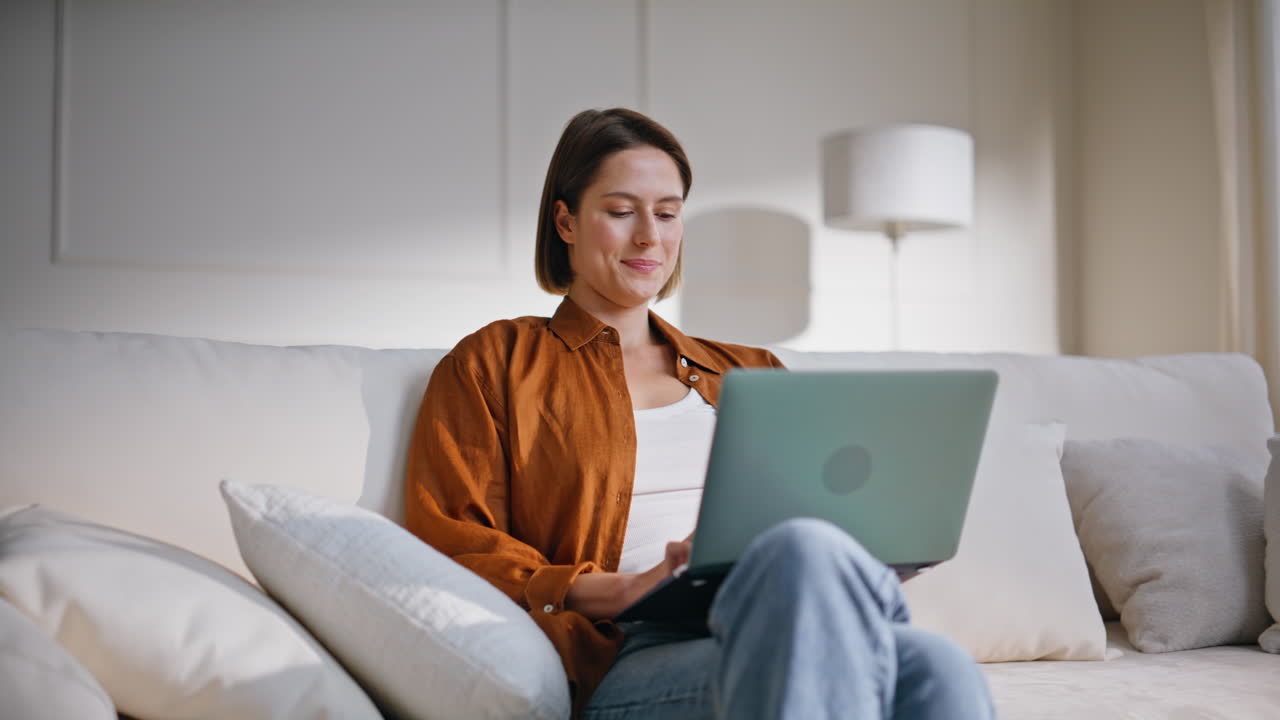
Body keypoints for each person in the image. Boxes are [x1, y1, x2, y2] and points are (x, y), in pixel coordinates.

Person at [405, 107, 994, 720]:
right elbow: (452, 544)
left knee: (937, 664)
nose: (648, 238)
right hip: (633, 647)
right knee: (801, 552)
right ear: (566, 221)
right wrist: (624, 588)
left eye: (666, 213)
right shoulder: (497, 363)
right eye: (620, 211)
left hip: (788, 605)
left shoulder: (749, 371)